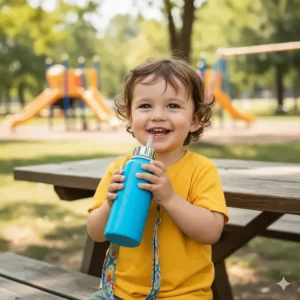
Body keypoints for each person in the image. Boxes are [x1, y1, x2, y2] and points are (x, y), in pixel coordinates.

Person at [87, 57, 229, 300]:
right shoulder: (119, 169)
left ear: (194, 120)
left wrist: (170, 198)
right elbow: (96, 233)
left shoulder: (201, 170)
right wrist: (110, 204)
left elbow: (211, 232)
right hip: (120, 292)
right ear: (130, 118)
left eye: (173, 106)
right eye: (145, 106)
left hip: (183, 294)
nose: (158, 116)